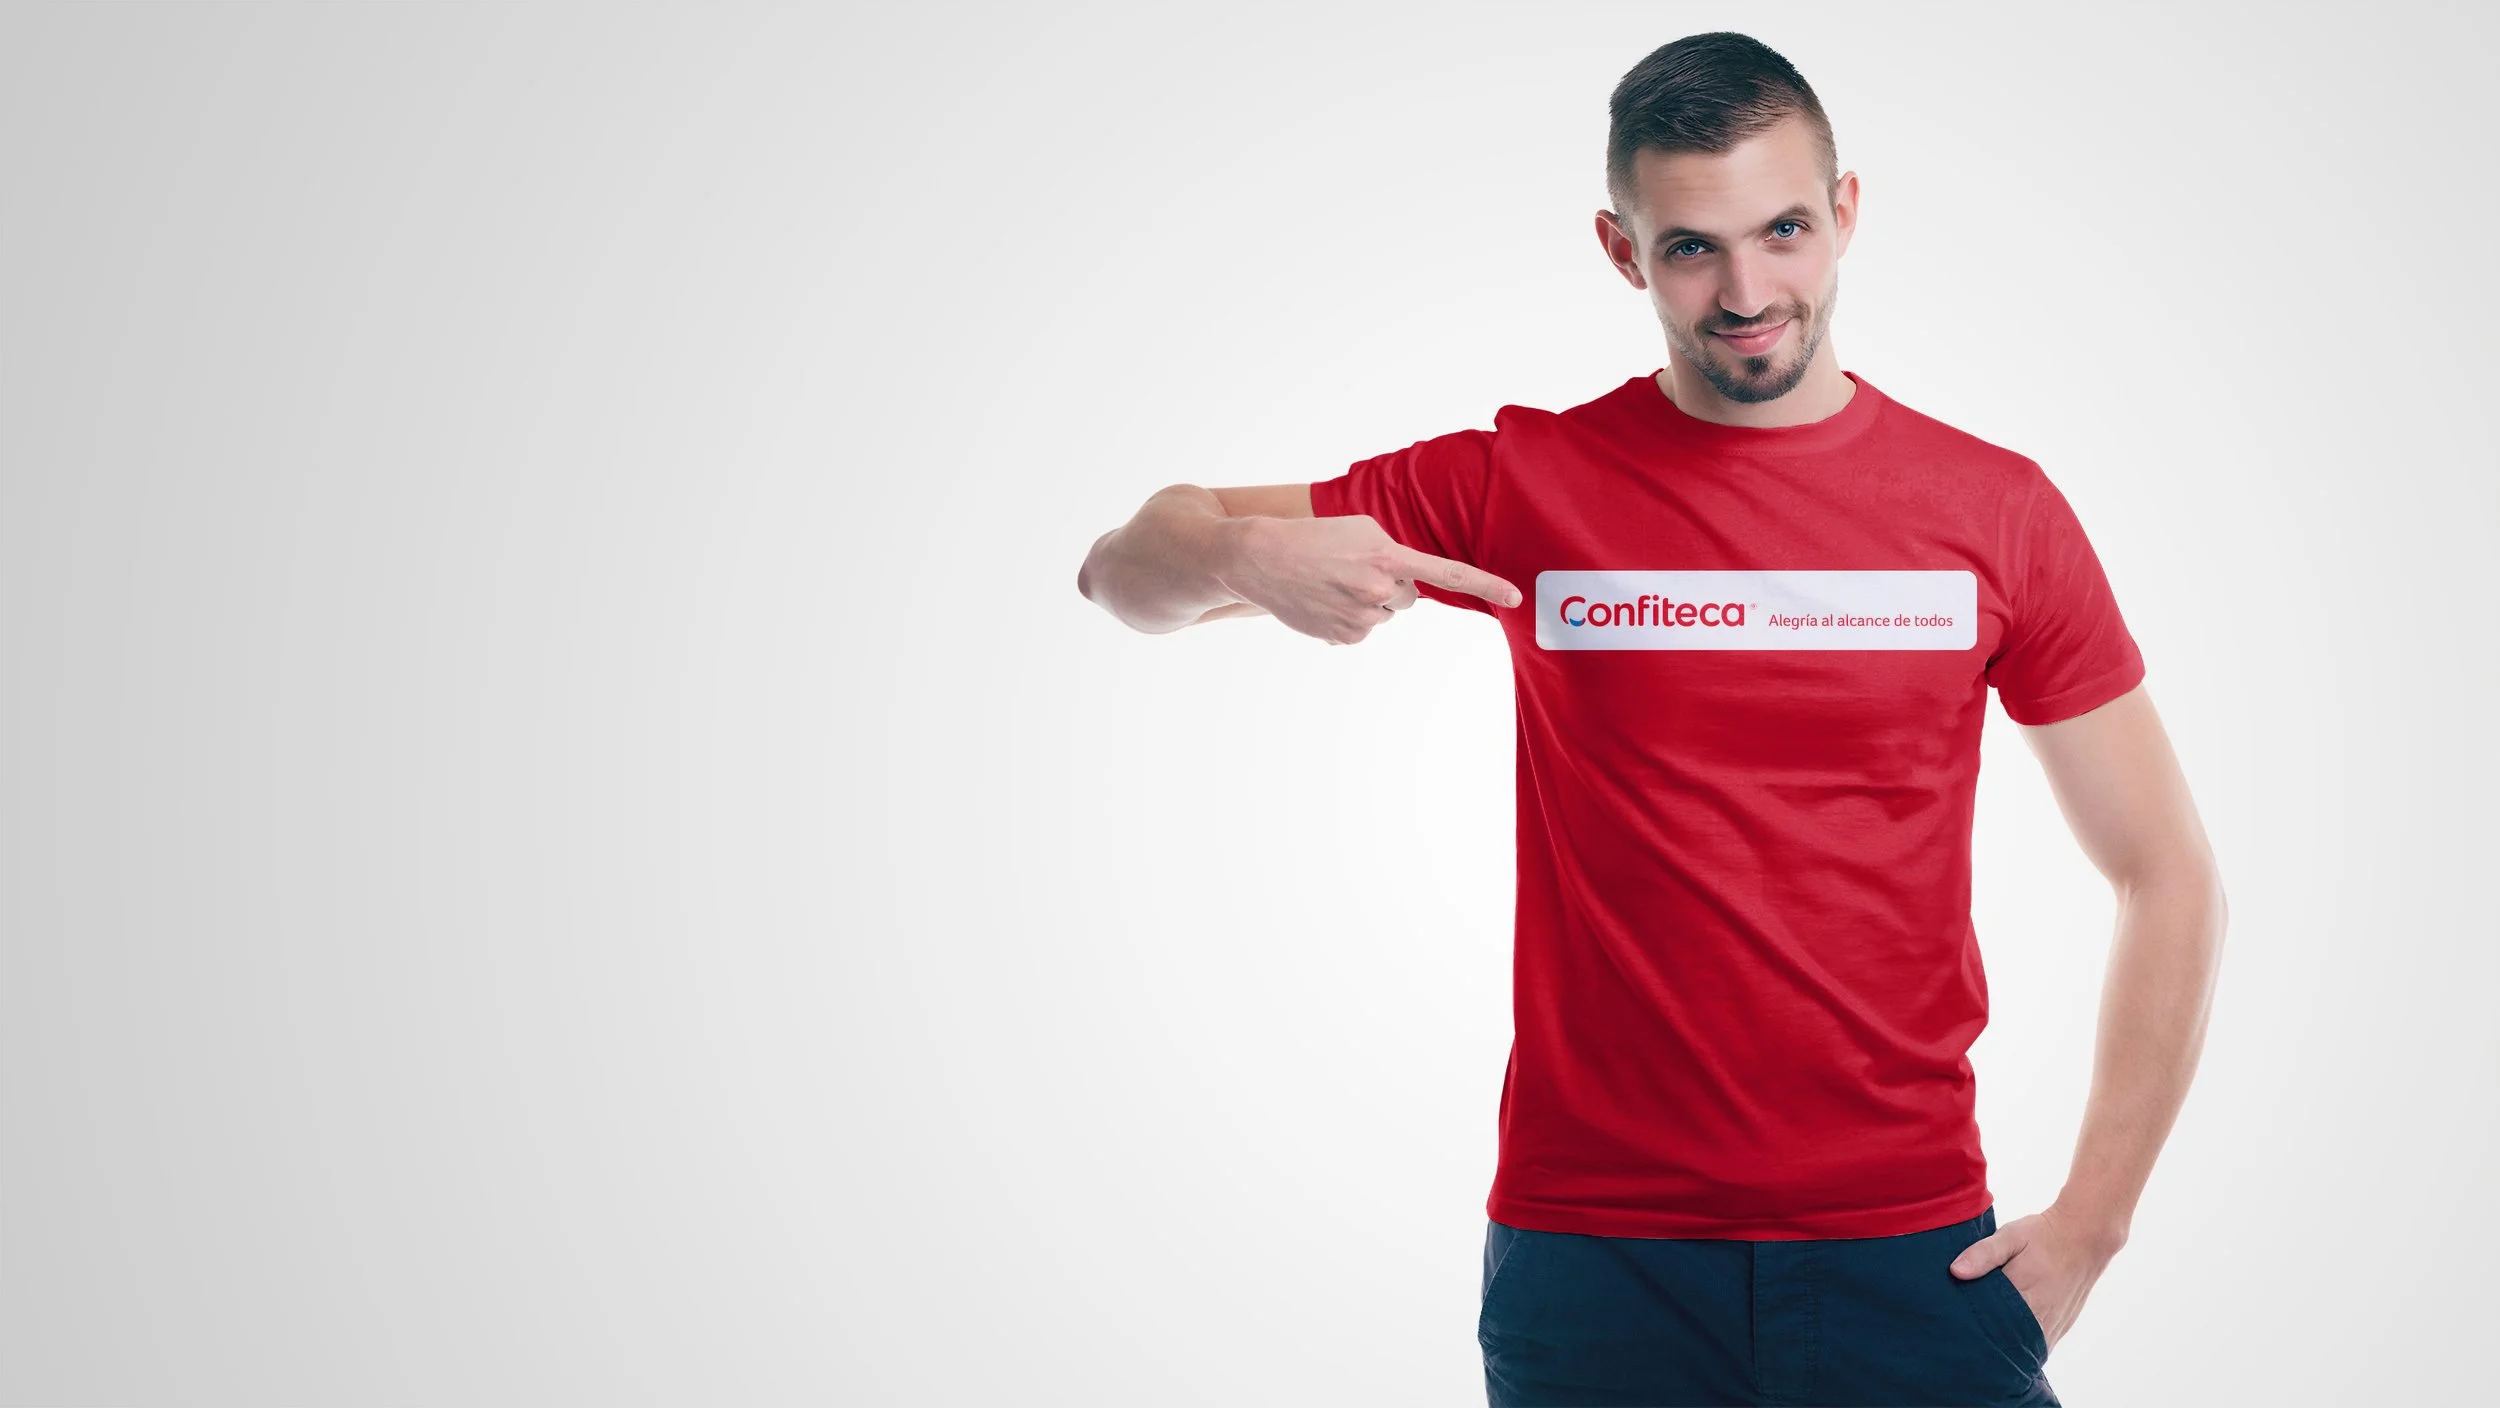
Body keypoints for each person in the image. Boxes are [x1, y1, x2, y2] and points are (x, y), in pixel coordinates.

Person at [1075, 30, 2226, 1408]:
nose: (1748, 291)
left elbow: (2166, 875)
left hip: (1909, 1254)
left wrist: (2094, 1227)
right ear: (1624, 251)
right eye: (1692, 248)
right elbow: (1123, 571)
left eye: (1784, 230)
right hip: (1592, 1262)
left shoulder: (1995, 513)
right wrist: (1239, 558)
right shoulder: (1526, 483)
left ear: (1845, 213)